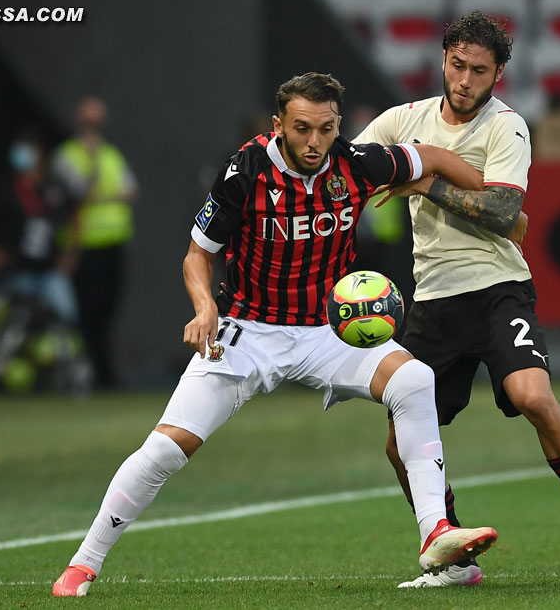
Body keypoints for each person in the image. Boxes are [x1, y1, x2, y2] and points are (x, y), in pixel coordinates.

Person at [52, 72, 499, 597]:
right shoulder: (245, 172)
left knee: (415, 380)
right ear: (279, 125)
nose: (315, 142)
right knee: (168, 449)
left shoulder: (357, 163)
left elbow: (437, 158)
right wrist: (203, 309)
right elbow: (198, 254)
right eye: (303, 128)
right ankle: (83, 563)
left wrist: (499, 200)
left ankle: (436, 536)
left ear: (338, 126)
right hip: (248, 330)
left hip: (327, 331)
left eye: (326, 129)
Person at [354, 12, 560, 587]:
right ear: (443, 61)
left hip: (496, 289)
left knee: (532, 394)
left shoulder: (506, 127)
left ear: (499, 74)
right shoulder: (404, 119)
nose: (464, 80)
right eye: (457, 65)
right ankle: (454, 556)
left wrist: (425, 179)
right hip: (433, 301)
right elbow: (348, 165)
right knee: (398, 441)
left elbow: (505, 214)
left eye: (478, 70)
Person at [51, 96, 137, 388]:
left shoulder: (111, 154)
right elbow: (78, 193)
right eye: (89, 123)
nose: (93, 129)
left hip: (114, 242)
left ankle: (104, 373)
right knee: (89, 312)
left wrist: (99, 195)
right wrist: (95, 175)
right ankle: (97, 374)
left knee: (108, 312)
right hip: (83, 245)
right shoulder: (68, 156)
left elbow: (131, 190)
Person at [0, 133, 79, 325]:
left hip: (49, 272)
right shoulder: (5, 188)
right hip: (15, 271)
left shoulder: (52, 188)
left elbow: (76, 216)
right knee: (6, 322)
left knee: (66, 316)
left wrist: (71, 254)